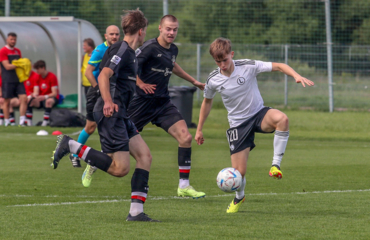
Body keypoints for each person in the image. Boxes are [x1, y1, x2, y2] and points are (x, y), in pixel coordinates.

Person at [52, 9, 159, 222]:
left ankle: (136, 212)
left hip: (122, 114)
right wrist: (109, 101)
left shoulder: (126, 50)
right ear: (141, 31)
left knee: (145, 157)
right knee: (120, 169)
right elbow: (103, 75)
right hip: (112, 111)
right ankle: (71, 146)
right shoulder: (123, 50)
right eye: (145, 30)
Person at [194, 38, 314, 213]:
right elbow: (207, 102)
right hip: (238, 125)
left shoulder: (248, 66)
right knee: (239, 174)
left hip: (259, 114)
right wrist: (199, 129)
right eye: (218, 62)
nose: (222, 64)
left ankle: (275, 165)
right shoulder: (213, 79)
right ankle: (239, 197)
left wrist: (296, 75)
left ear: (231, 55)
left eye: (225, 60)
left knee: (282, 119)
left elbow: (279, 65)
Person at [124, 15, 207, 199]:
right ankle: (95, 162)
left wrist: (193, 81)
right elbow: (131, 65)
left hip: (162, 103)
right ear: (160, 28)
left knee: (185, 137)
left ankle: (184, 186)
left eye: (175, 29)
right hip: (141, 104)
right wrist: (140, 84)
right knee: (119, 142)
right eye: (168, 29)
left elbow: (172, 65)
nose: (172, 32)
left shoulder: (173, 49)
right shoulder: (148, 48)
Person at [69, 25, 120, 169]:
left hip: (111, 92)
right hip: (96, 92)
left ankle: (106, 157)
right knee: (90, 127)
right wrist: (98, 89)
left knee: (113, 123)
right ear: (106, 36)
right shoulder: (99, 50)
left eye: (117, 34)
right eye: (111, 34)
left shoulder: (120, 50)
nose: (114, 37)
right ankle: (74, 154)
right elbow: (88, 72)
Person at [0, 32, 27, 126]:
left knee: (24, 98)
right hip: (7, 79)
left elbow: (21, 63)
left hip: (18, 79)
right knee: (6, 101)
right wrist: (19, 64)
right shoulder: (3, 51)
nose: (13, 41)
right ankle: (7, 121)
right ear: (7, 40)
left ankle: (22, 121)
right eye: (11, 39)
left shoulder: (17, 51)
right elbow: (7, 66)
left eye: (14, 39)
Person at [28, 60, 59, 126]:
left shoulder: (52, 76)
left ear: (43, 68)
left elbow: (54, 93)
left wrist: (45, 97)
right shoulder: (37, 77)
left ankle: (44, 123)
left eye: (38, 69)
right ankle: (29, 123)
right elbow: (36, 91)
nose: (37, 71)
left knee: (48, 101)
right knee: (30, 101)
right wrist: (34, 95)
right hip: (41, 99)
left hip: (51, 98)